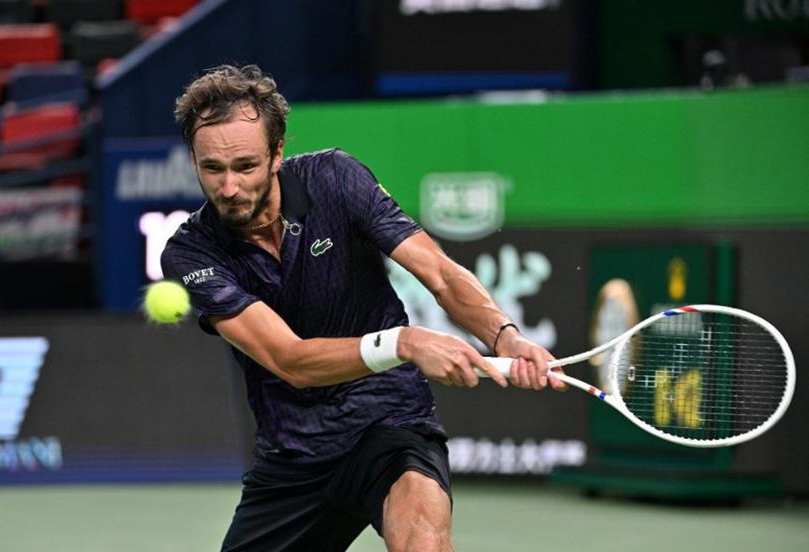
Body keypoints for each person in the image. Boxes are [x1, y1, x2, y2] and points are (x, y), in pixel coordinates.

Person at [162, 64, 564, 552]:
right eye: (213, 169)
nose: (229, 188)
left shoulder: (334, 178)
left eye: (245, 166)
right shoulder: (191, 253)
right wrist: (405, 341)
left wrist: (506, 336)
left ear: (276, 154)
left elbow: (439, 273)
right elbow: (291, 360)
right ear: (193, 159)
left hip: (389, 425)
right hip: (294, 456)